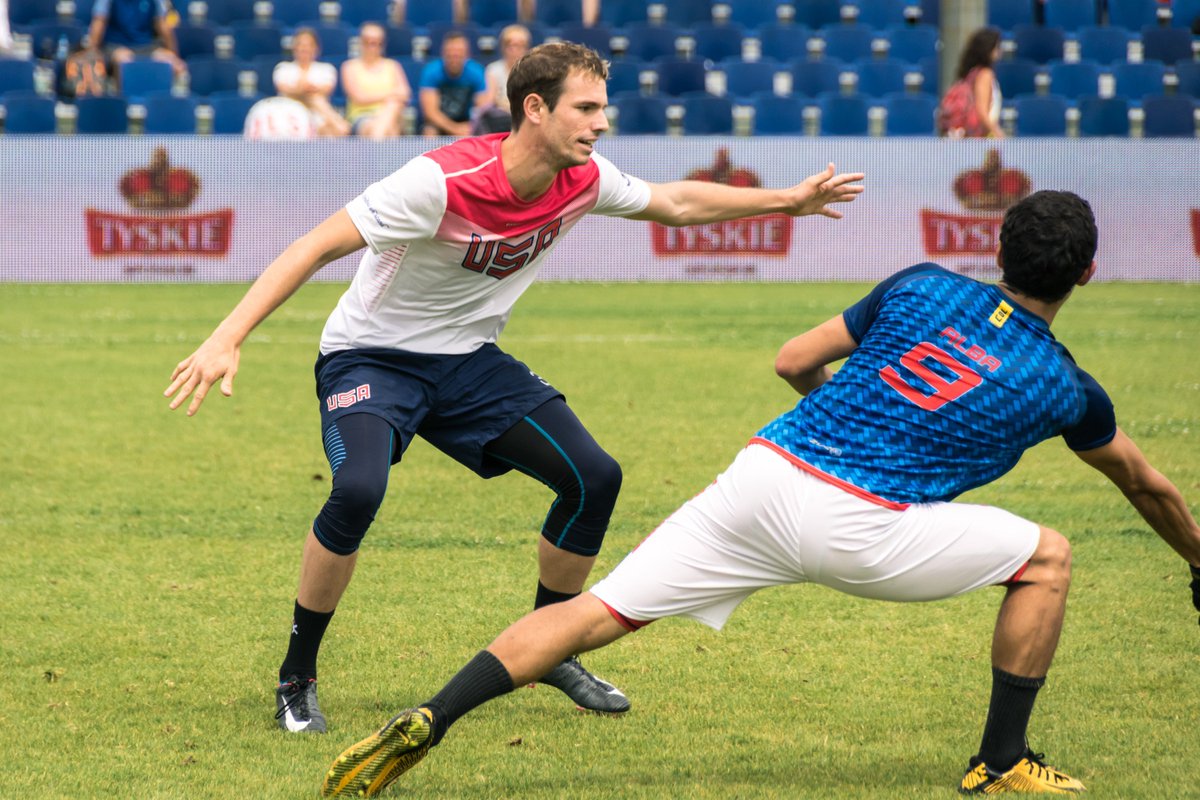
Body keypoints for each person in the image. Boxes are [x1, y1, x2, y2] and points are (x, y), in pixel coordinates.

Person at [316, 190, 1200, 798]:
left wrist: (857, 418)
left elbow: (792, 361)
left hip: (761, 479)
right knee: (1047, 556)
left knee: (594, 614)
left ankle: (433, 715)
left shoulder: (922, 284)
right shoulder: (1068, 387)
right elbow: (1148, 486)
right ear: (1085, 275)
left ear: (996, 249)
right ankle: (1001, 762)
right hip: (868, 531)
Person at [163, 41, 863, 737]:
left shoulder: (583, 178)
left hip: (468, 362)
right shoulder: (438, 182)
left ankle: (551, 647)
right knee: (357, 491)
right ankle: (296, 679)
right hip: (371, 359)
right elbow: (313, 246)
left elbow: (675, 202)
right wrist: (227, 337)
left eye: (603, 108)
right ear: (535, 109)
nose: (602, 122)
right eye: (586, 108)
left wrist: (789, 200)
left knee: (594, 477)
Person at [86, 0, 187, 88]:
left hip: (146, 46)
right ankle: (124, 101)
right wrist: (92, 53)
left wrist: (174, 55)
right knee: (124, 59)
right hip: (115, 46)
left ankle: (161, 102)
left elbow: (164, 28)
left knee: (174, 64)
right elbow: (98, 25)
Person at [274, 27, 350, 138]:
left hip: (318, 115)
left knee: (329, 130)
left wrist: (299, 91)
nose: (304, 48)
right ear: (294, 48)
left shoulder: (326, 69)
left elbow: (325, 90)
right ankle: (338, 122)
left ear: (316, 49)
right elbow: (284, 89)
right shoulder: (283, 68)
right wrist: (306, 90)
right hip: (288, 116)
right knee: (315, 99)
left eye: (308, 45)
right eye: (300, 44)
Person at [341, 22, 411, 140]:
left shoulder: (393, 66)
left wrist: (384, 101)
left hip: (392, 116)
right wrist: (390, 94)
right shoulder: (349, 67)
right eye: (367, 42)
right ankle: (380, 144)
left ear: (382, 44)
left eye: (375, 42)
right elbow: (359, 97)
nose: (371, 46)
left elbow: (404, 94)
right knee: (385, 125)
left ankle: (377, 145)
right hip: (361, 117)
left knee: (392, 108)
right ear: (360, 42)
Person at [418, 31, 487, 137]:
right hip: (439, 123)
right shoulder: (431, 71)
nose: (455, 55)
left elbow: (482, 108)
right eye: (451, 51)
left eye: (459, 51)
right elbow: (430, 112)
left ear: (467, 54)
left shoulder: (476, 71)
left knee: (483, 131)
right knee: (429, 132)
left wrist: (470, 126)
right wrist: (454, 129)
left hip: (467, 122)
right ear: (443, 53)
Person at [939, 27, 1004, 139]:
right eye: (997, 47)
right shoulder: (985, 75)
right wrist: (999, 134)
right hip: (979, 138)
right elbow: (982, 112)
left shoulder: (971, 73)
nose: (1000, 51)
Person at [475, 23, 530, 134]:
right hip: (501, 119)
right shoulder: (493, 70)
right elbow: (489, 101)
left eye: (520, 46)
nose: (515, 50)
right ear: (503, 48)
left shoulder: (533, 70)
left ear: (526, 48)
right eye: (511, 45)